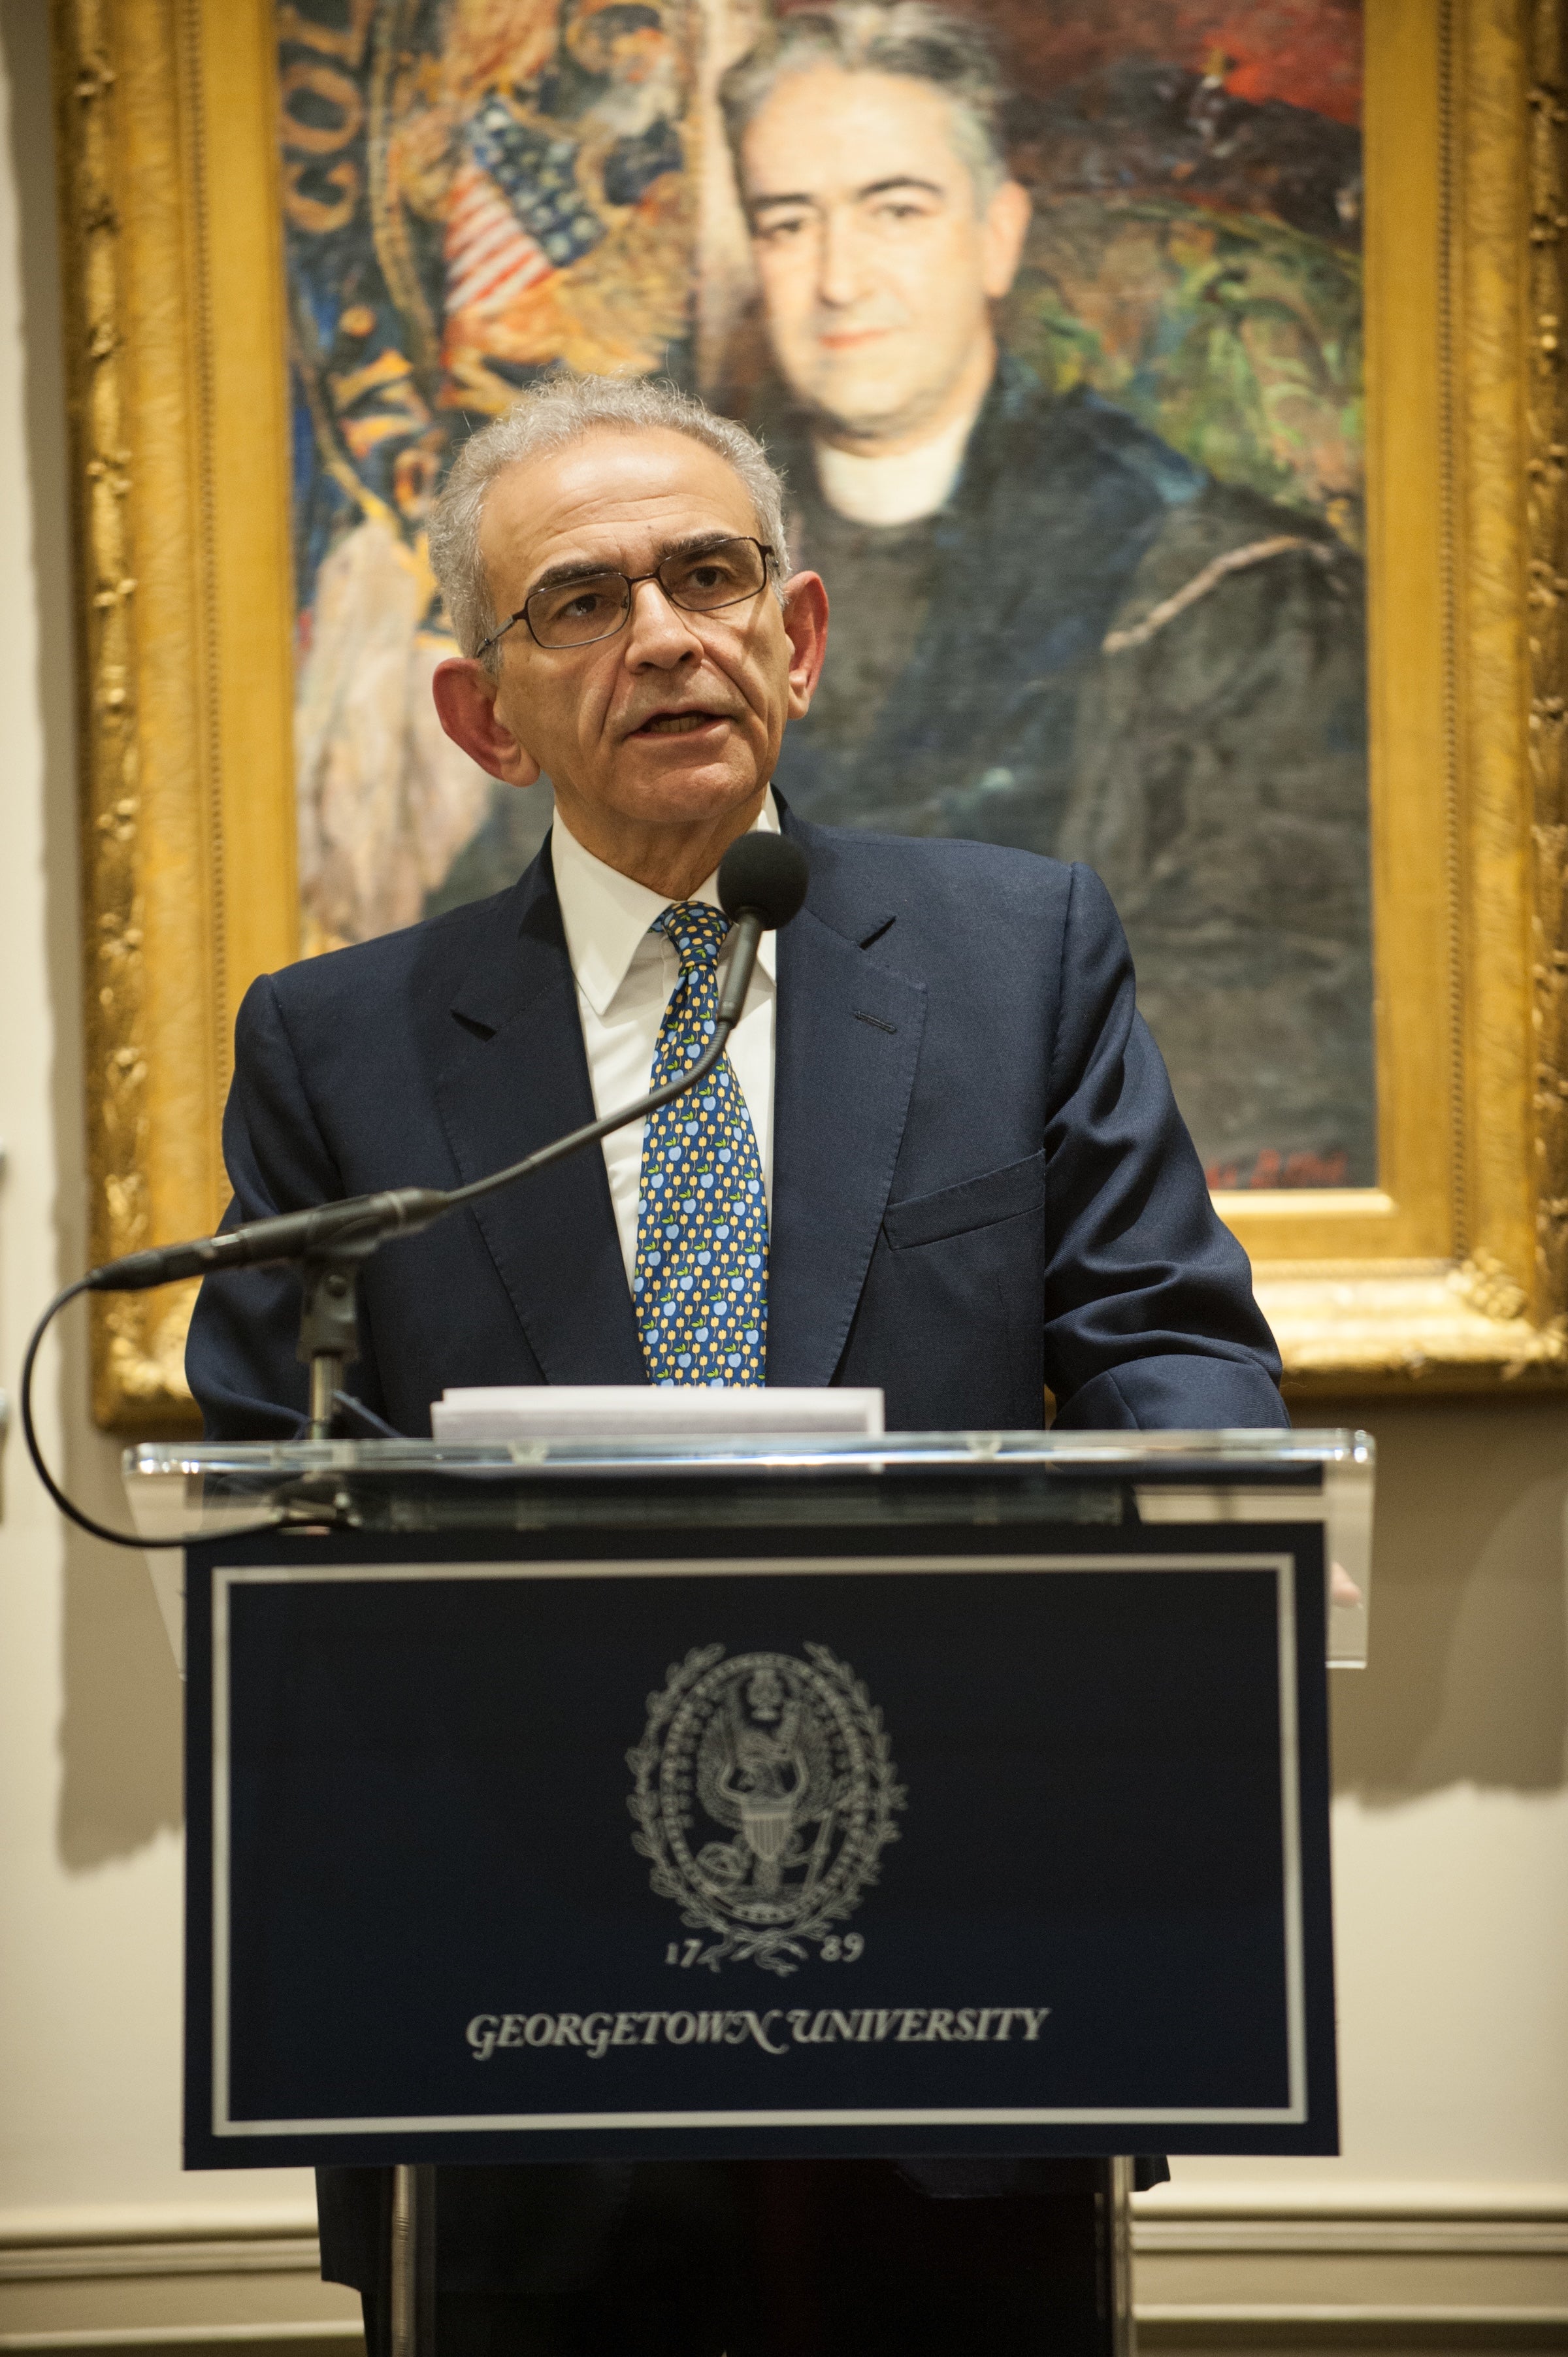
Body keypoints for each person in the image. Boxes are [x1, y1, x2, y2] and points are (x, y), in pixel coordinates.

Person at [187, 372, 1287, 2354]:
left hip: (971, 1990)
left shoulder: (1016, 953)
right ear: (480, 714)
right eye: (582, 601)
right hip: (507, 2027)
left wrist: (1197, 1649)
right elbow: (273, 1487)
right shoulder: (337, 1048)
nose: (665, 636)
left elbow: (1171, 1349)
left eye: (709, 576)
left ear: (797, 638)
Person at [720, 1, 1375, 1191]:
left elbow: (1281, 1013)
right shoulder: (676, 594)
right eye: (787, 222)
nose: (837, 279)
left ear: (999, 235)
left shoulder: (1218, 588)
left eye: (897, 210)